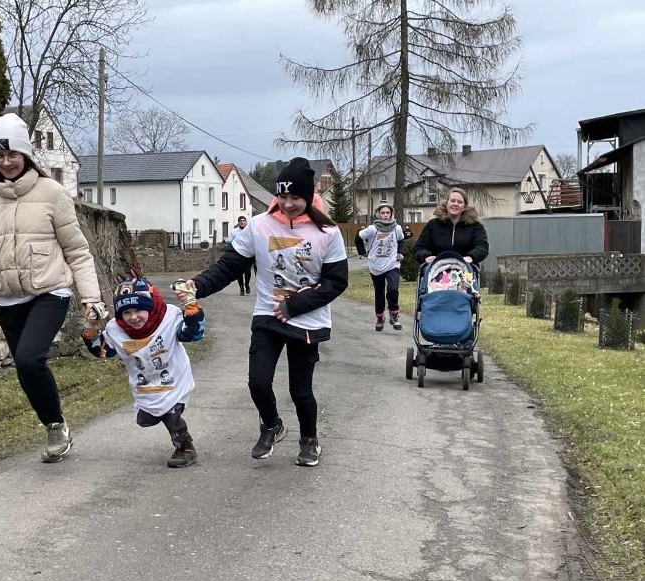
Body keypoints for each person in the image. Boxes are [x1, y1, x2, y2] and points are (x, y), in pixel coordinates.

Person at [174, 157, 348, 467]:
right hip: (267, 316)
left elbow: (336, 282)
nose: (289, 203)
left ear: (308, 196)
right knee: (258, 382)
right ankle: (271, 424)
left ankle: (309, 439)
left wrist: (294, 304)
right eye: (283, 197)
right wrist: (196, 286)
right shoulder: (259, 226)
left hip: (306, 320)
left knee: (300, 390)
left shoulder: (328, 232)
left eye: (296, 197)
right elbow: (229, 266)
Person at [0, 113, 102, 463]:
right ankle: (56, 423)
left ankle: (53, 426)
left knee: (29, 358)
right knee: (26, 367)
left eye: (12, 155)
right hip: (7, 297)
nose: (5, 162)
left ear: (26, 155)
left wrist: (91, 298)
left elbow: (77, 252)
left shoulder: (53, 194)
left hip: (50, 290)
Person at [81, 278, 205, 468]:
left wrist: (191, 307)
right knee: (145, 419)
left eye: (139, 310)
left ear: (150, 306)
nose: (133, 317)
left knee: (171, 414)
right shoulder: (116, 329)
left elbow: (193, 334)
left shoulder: (168, 318)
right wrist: (91, 328)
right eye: (127, 312)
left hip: (174, 381)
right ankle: (166, 421)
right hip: (145, 386)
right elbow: (102, 351)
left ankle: (185, 447)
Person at [358, 203, 405, 331]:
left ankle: (394, 315)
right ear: (379, 214)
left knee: (393, 289)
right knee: (379, 293)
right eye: (383, 213)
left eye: (387, 213)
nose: (385, 215)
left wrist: (401, 252)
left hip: (392, 264)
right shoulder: (372, 229)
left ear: (391, 214)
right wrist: (362, 252)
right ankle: (380, 317)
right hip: (376, 265)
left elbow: (401, 240)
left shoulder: (397, 228)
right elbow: (359, 236)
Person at [414, 187, 489, 266]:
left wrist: (471, 257)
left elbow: (482, 246)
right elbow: (419, 247)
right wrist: (426, 256)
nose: (455, 204)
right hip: (436, 270)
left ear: (464, 206)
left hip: (466, 271)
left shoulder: (475, 226)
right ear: (447, 203)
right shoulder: (433, 225)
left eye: (459, 202)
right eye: (452, 201)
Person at [227, 215, 252, 295]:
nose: (242, 222)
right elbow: (229, 241)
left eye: (243, 221)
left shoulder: (250, 230)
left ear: (246, 222)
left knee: (247, 271)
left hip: (248, 254)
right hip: (237, 255)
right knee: (239, 272)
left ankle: (247, 284)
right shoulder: (234, 232)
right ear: (238, 223)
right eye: (240, 221)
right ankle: (241, 288)